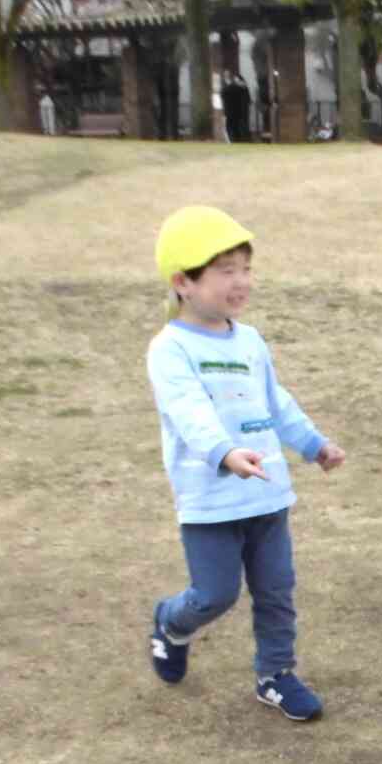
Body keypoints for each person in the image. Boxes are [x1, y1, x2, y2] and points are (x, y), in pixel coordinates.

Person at [145, 206, 346, 721]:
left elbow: (276, 403)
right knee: (215, 595)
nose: (241, 281)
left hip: (267, 492)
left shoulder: (250, 341)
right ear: (183, 282)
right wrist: (225, 453)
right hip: (211, 499)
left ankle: (275, 674)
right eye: (225, 270)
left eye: (245, 268)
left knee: (276, 591)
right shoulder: (170, 348)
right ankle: (172, 622)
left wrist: (313, 444)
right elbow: (189, 411)